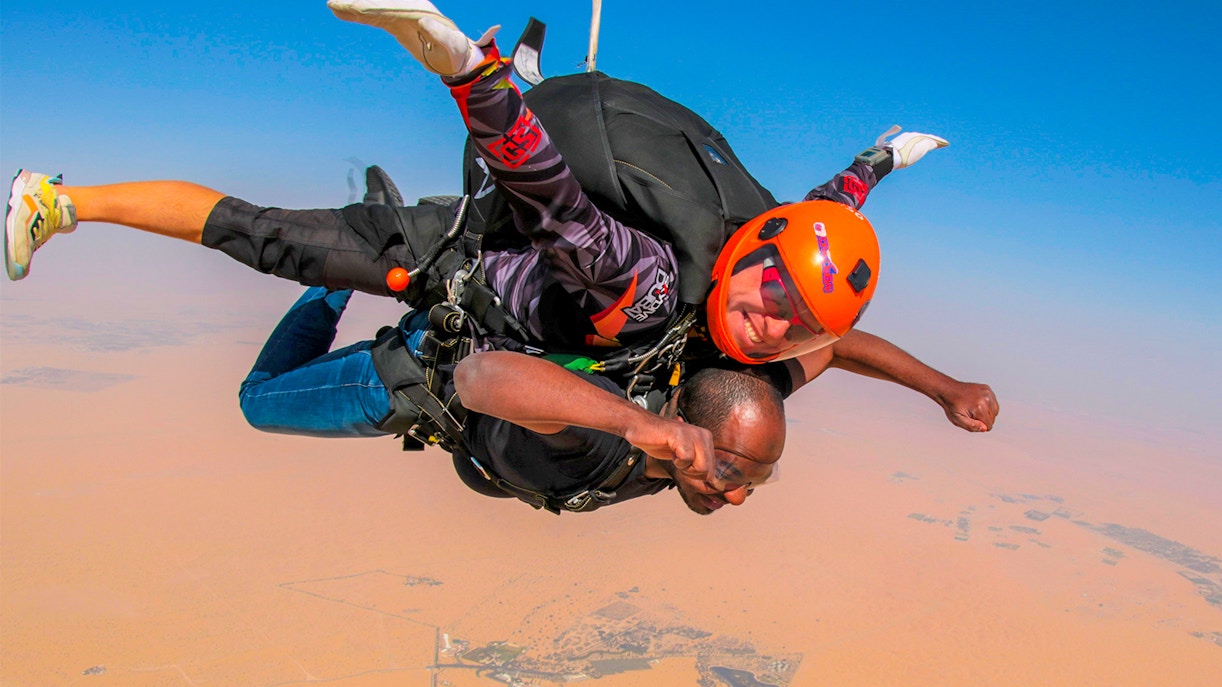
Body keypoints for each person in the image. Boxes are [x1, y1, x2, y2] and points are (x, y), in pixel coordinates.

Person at [3, 0, 997, 440]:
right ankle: (60, 199)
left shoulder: (782, 266)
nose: (775, 322)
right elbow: (552, 199)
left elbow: (832, 234)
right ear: (751, 252)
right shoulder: (652, 287)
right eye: (772, 296)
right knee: (264, 239)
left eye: (795, 321)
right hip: (449, 262)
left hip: (508, 277)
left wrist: (879, 159)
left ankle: (513, 71)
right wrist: (466, 76)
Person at [243, 285, 784, 515]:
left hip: (467, 376)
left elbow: (832, 350)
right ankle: (335, 277)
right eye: (728, 475)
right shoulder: (603, 436)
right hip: (410, 379)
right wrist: (631, 424)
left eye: (752, 484)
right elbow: (482, 377)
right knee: (257, 402)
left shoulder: (717, 409)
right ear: (681, 424)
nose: (734, 497)